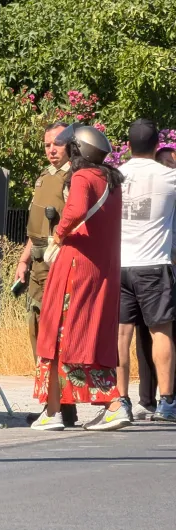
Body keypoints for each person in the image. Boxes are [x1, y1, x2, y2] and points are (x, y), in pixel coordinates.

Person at [30, 123, 125, 431]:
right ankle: (54, 409)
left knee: (60, 334)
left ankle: (112, 403)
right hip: (101, 270)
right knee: (85, 336)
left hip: (75, 267)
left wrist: (57, 237)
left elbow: (75, 211)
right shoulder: (110, 179)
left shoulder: (83, 177)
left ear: (77, 152)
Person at [113, 119, 176, 424]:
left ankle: (121, 400)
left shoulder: (115, 176)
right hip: (154, 264)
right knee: (161, 332)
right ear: (156, 146)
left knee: (121, 335)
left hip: (120, 265)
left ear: (128, 146)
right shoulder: (169, 177)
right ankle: (166, 402)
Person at [16, 122, 78, 427]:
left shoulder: (73, 178)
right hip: (39, 264)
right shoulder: (43, 179)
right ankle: (50, 402)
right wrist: (23, 261)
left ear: (69, 145)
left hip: (60, 264)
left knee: (58, 336)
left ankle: (62, 405)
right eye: (47, 145)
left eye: (57, 144)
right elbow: (36, 229)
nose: (51, 150)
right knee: (37, 331)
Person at [133, 143, 176, 420]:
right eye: (164, 164)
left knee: (166, 335)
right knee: (143, 335)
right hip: (152, 271)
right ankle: (146, 399)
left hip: (166, 271)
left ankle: (167, 396)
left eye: (171, 165)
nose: (168, 169)